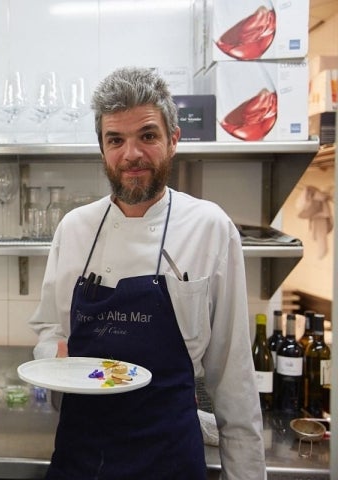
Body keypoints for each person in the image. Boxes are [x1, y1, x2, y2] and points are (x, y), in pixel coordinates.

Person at [28, 67, 265, 479]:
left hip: (169, 458)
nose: (131, 154)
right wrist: (55, 355)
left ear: (174, 140)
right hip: (81, 458)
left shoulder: (210, 227)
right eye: (115, 140)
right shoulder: (74, 228)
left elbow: (233, 375)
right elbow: (50, 328)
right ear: (101, 148)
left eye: (148, 136)